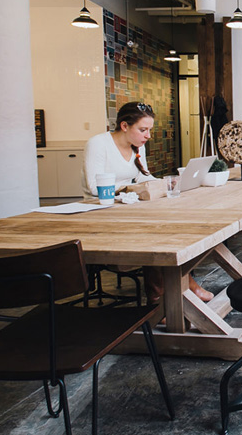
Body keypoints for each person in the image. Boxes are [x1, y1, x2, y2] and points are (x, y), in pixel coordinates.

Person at [81, 101, 213, 303]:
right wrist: (132, 188)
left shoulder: (137, 146)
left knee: (172, 227)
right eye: (143, 130)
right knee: (156, 233)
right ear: (124, 126)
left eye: (149, 130)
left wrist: (165, 183)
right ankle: (167, 295)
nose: (148, 136)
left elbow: (142, 176)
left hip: (128, 208)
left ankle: (173, 289)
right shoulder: (98, 144)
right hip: (102, 212)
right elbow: (93, 187)